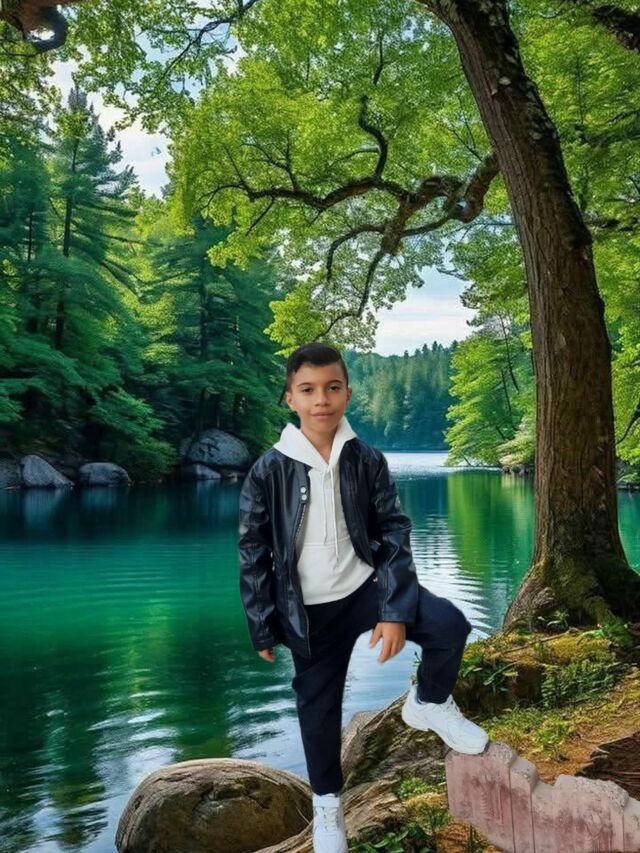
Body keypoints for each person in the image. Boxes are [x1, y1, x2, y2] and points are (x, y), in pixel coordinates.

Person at [238, 342, 488, 853]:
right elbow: (253, 549)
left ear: (348, 394)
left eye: (332, 388)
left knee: (449, 626)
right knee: (318, 709)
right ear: (290, 399)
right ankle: (328, 807)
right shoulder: (268, 470)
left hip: (366, 590)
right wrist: (261, 622)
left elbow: (393, 532)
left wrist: (393, 610)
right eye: (308, 390)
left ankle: (430, 703)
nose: (321, 400)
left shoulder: (367, 460)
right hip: (308, 612)